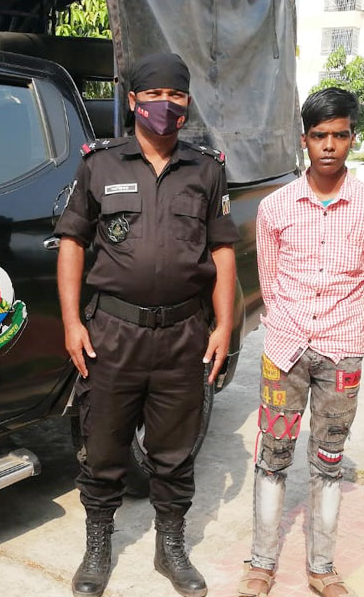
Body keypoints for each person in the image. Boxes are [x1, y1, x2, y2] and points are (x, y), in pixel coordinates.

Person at [54, 52, 239, 597]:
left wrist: (224, 326)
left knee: (174, 452)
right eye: (154, 94)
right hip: (113, 334)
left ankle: (171, 546)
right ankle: (98, 545)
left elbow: (222, 251)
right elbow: (71, 243)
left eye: (175, 95)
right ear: (133, 101)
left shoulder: (207, 170)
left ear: (187, 102)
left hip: (184, 335)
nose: (165, 104)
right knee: (103, 447)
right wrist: (71, 322)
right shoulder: (100, 164)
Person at [238, 87, 364, 597]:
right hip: (284, 352)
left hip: (341, 354)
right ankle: (262, 562)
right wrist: (286, 324)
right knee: (272, 455)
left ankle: (322, 567)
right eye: (319, 135)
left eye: (340, 135)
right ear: (304, 139)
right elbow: (269, 277)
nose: (329, 145)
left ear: (352, 137)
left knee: (329, 460)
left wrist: (357, 336)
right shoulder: (276, 207)